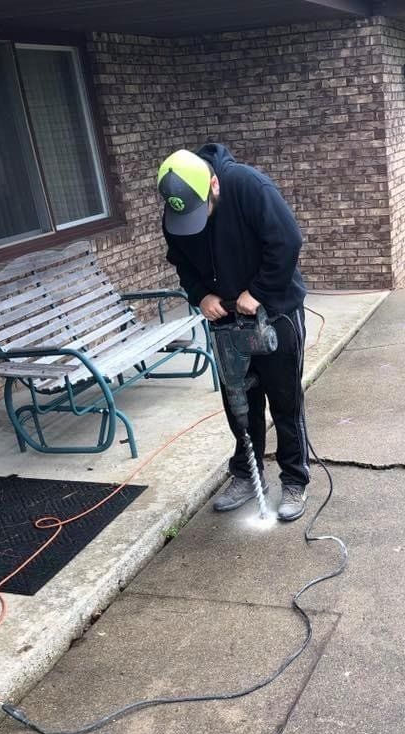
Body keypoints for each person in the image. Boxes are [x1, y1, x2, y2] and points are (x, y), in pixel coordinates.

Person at [157, 145, 309, 522]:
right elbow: (181, 263)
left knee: (285, 402)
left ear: (213, 185)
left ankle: (294, 479)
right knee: (240, 405)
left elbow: (287, 242)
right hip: (226, 321)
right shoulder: (178, 212)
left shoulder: (249, 186)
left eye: (202, 211)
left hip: (275, 315)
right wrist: (201, 295)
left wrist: (257, 292)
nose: (198, 222)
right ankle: (247, 474)